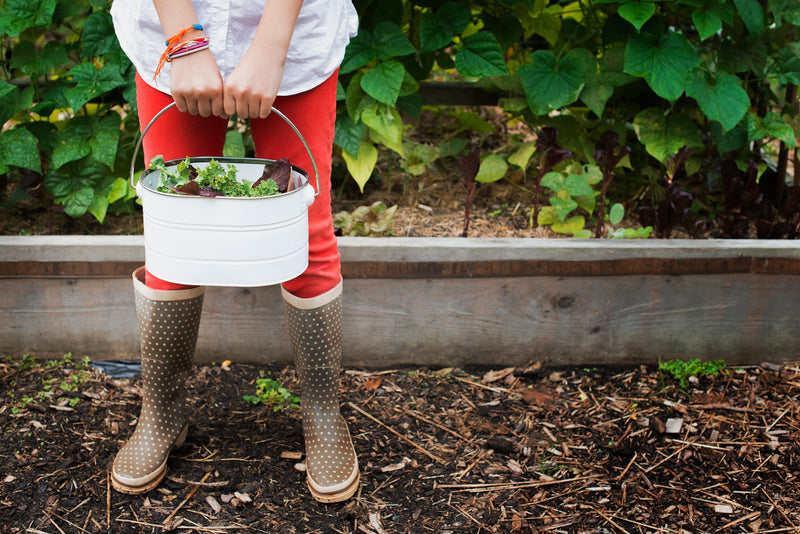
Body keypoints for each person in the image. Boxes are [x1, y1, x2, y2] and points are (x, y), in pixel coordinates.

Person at [109, 0, 360, 503]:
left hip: (294, 38)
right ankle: (162, 412)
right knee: (174, 228)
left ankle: (322, 413)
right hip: (171, 27)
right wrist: (183, 40)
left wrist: (269, 46)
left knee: (304, 225)